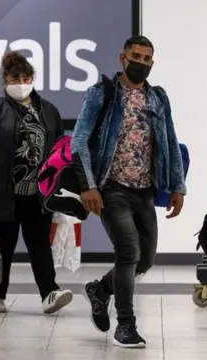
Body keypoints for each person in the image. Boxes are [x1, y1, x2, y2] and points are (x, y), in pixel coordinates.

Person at [70, 35, 186, 348]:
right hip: (111, 187)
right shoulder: (103, 93)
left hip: (145, 190)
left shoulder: (158, 98)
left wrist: (178, 186)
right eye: (136, 56)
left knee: (144, 261)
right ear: (123, 57)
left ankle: (100, 290)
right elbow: (78, 141)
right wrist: (89, 186)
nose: (142, 63)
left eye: (147, 59)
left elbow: (171, 143)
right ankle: (126, 325)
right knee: (128, 252)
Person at [0, 51, 73, 315]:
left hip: (39, 193)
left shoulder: (48, 111)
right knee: (3, 246)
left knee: (39, 245)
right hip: (4, 192)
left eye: (26, 77)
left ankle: (49, 294)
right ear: (5, 80)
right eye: (16, 78)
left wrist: (62, 188)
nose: (22, 82)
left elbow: (60, 151)